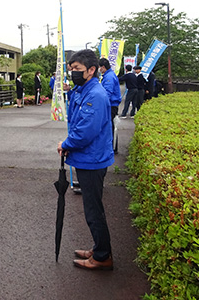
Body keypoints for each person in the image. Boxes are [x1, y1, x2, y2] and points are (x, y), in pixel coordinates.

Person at [57, 49, 114, 271]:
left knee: (93, 211)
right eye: (72, 70)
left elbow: (85, 131)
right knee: (93, 209)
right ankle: (99, 248)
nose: (73, 74)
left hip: (93, 159)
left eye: (77, 70)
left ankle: (102, 256)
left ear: (91, 70)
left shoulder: (95, 95)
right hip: (89, 158)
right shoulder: (85, 89)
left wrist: (67, 144)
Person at [98, 58, 121, 137]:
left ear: (103, 67)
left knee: (108, 126)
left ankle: (110, 145)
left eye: (99, 67)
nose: (99, 69)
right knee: (109, 125)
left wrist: (101, 104)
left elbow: (107, 92)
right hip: (112, 104)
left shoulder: (109, 77)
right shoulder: (109, 75)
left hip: (111, 104)